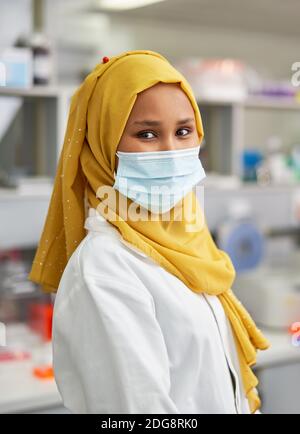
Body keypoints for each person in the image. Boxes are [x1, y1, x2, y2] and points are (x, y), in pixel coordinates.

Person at [28, 50, 270, 414]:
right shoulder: (104, 269)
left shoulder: (190, 246)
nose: (171, 150)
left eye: (183, 131)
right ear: (103, 146)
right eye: (147, 133)